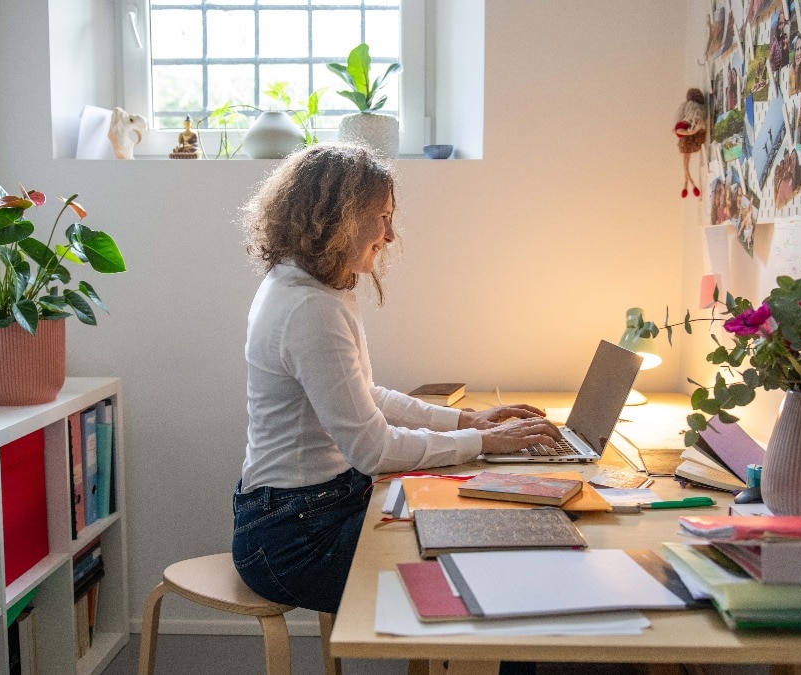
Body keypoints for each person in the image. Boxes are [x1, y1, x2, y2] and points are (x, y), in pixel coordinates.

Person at [232, 143, 562, 615]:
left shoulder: (313, 286)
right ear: (337, 216)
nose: (389, 234)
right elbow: (375, 451)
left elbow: (364, 395)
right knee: (493, 577)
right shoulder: (309, 307)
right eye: (381, 217)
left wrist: (466, 420)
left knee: (487, 536)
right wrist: (483, 441)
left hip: (315, 510)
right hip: (295, 539)